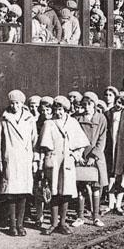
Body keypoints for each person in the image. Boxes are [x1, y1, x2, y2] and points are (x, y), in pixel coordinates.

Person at [39, 96, 89, 235]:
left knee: (66, 192)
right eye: (56, 109)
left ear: (66, 109)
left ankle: (63, 222)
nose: (58, 112)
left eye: (61, 109)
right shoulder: (49, 123)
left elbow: (81, 143)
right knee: (54, 192)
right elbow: (43, 146)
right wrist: (44, 160)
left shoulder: (72, 123)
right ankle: (53, 223)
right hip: (54, 162)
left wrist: (75, 155)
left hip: (67, 162)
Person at [0, 90, 37, 237]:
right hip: (11, 158)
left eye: (17, 103)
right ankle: (12, 225)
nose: (14, 106)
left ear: (22, 103)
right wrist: (1, 160)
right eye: (12, 103)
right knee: (11, 193)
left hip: (25, 159)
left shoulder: (30, 119)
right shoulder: (4, 119)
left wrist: (35, 160)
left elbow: (35, 141)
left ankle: (20, 224)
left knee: (23, 193)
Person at [74, 92, 108, 228]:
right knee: (81, 186)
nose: (87, 107)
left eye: (89, 104)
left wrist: (94, 156)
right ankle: (80, 216)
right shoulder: (77, 119)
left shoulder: (101, 119)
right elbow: (75, 137)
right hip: (82, 156)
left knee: (96, 186)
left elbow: (102, 139)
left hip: (96, 157)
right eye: (84, 104)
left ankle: (96, 217)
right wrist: (79, 154)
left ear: (94, 104)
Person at [103, 92, 124, 215]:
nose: (120, 106)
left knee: (122, 177)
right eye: (119, 102)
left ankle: (118, 204)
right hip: (110, 149)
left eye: (123, 104)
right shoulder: (107, 114)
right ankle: (110, 204)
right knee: (111, 176)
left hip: (123, 149)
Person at [33, 96, 54, 227]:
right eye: (43, 110)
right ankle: (39, 216)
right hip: (40, 159)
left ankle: (52, 216)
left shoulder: (55, 124)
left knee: (52, 189)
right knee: (39, 189)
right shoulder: (37, 124)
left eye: (48, 110)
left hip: (52, 160)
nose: (45, 113)